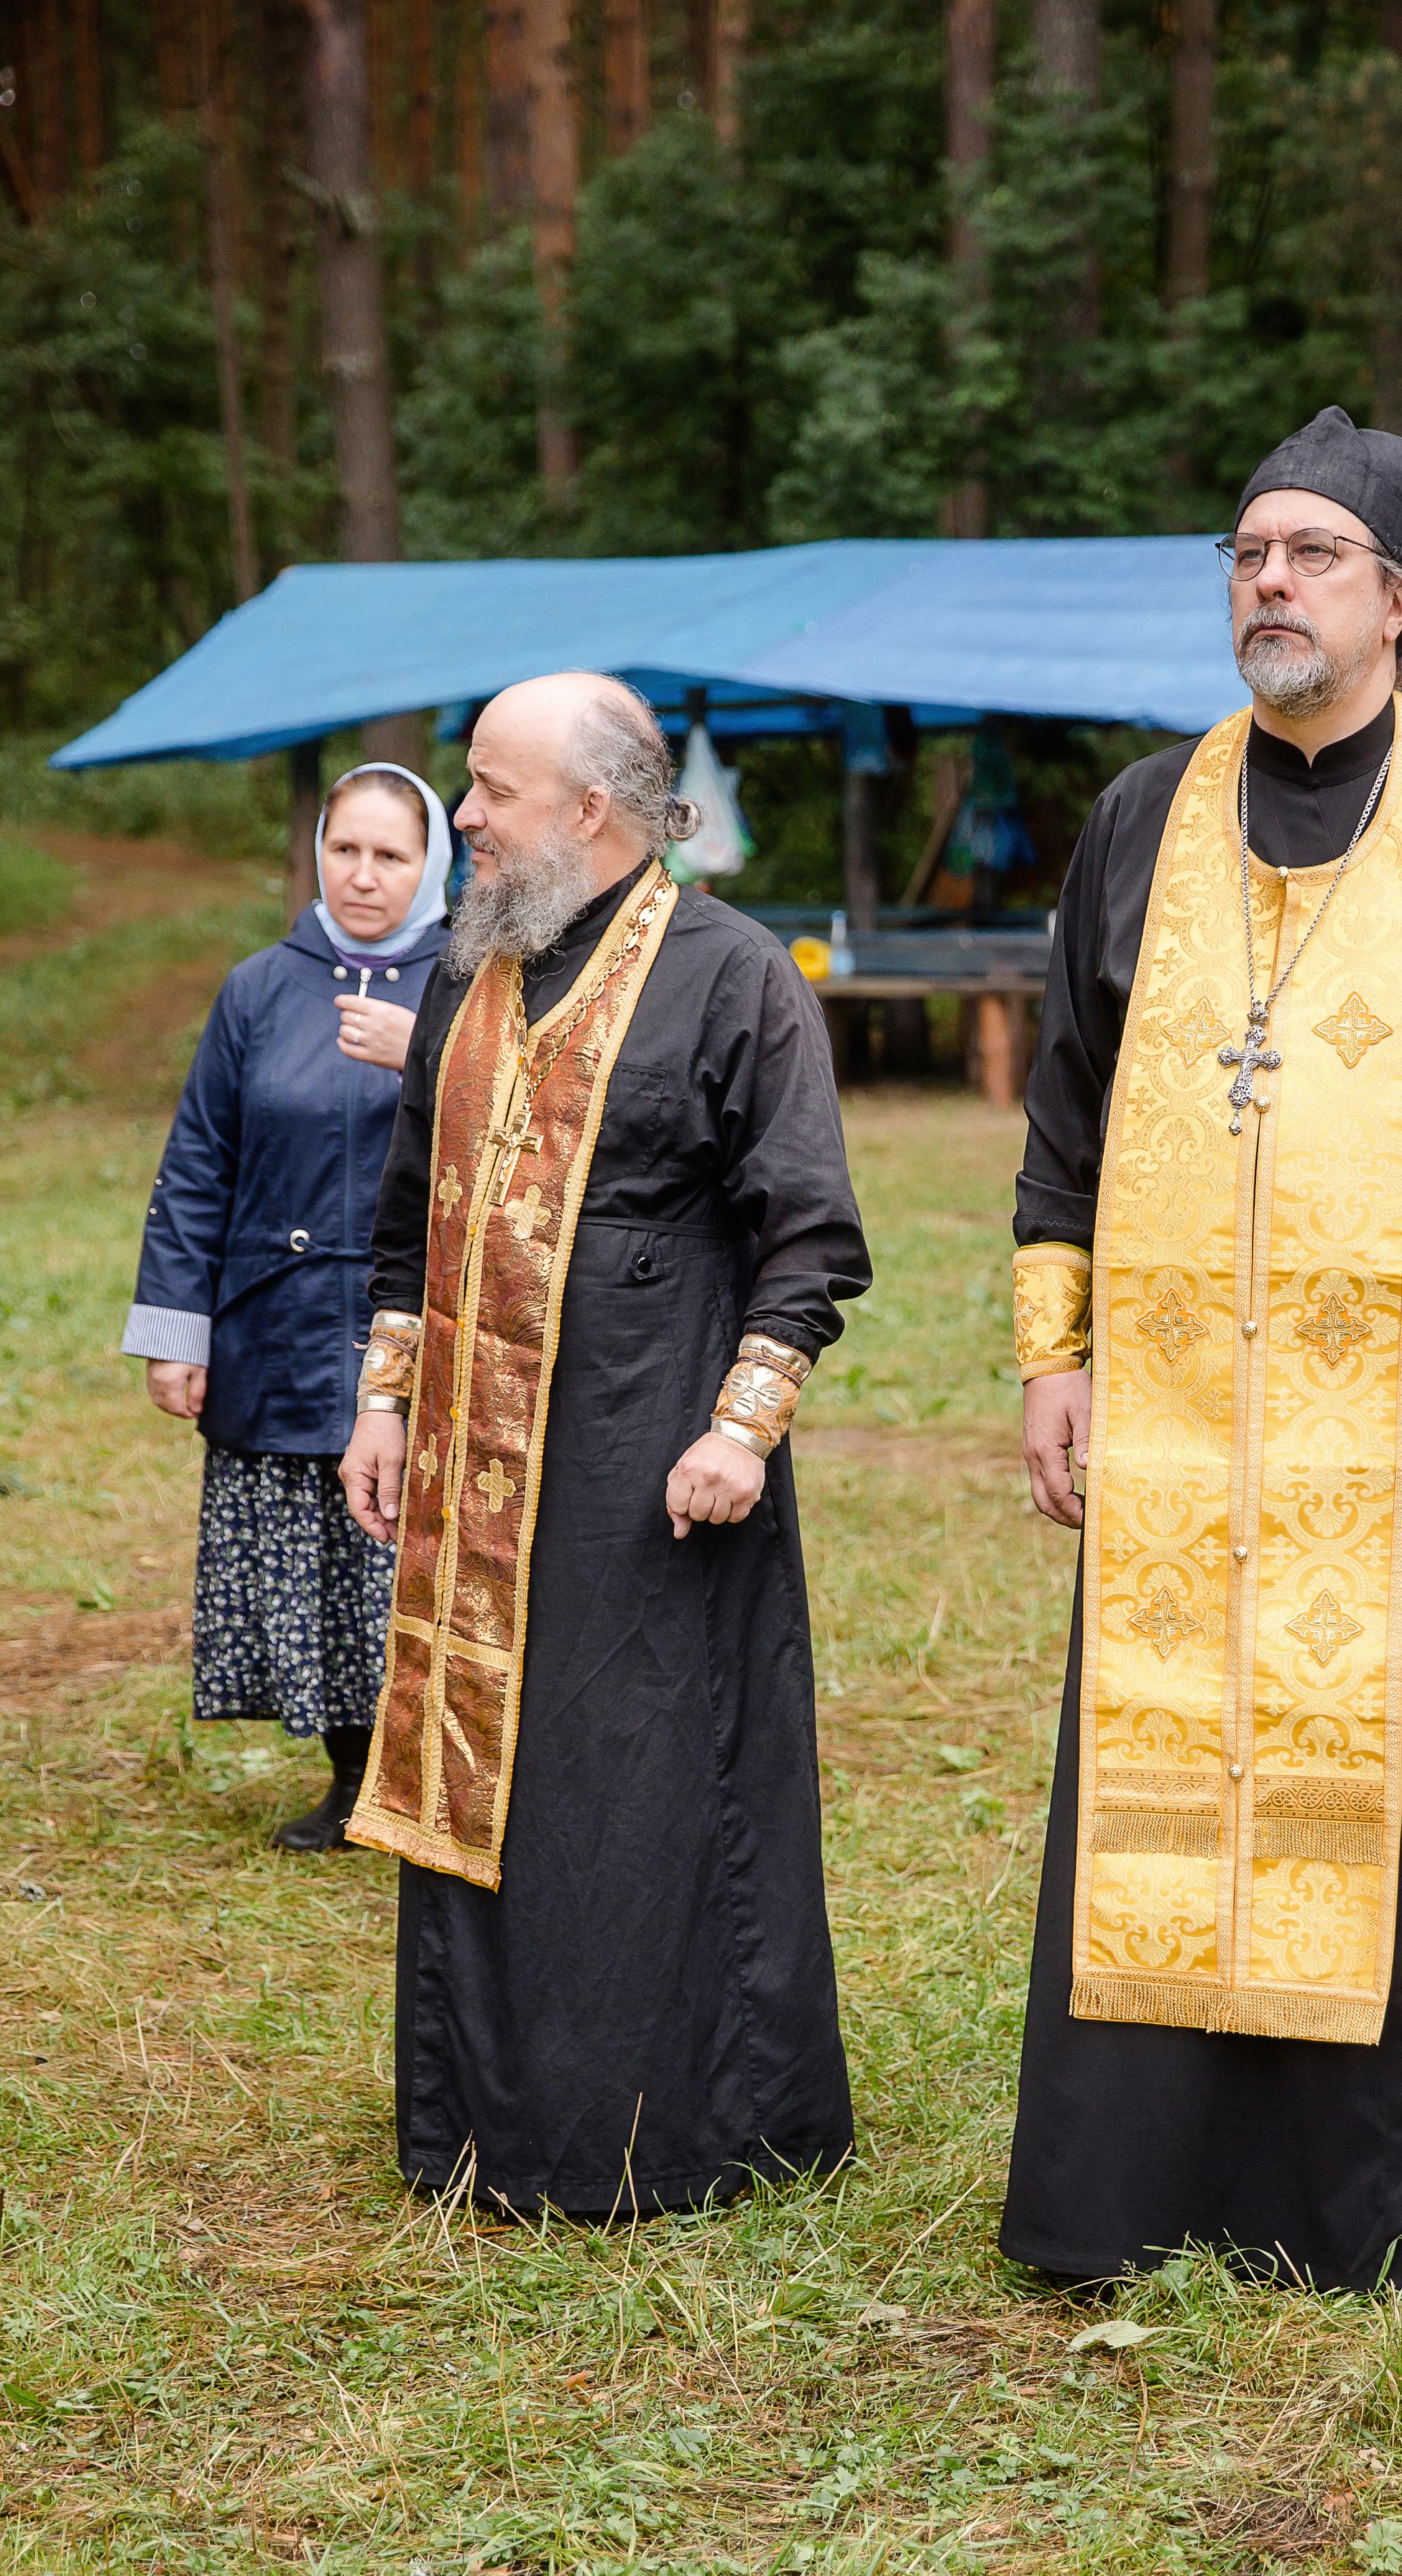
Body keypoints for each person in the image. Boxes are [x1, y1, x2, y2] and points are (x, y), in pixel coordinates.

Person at [1001, 407, 1402, 2294]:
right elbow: (1069, 1114)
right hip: (1180, 1395)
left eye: (1311, 555)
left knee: (1400, 1755)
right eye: (1249, 553)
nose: (1269, 580)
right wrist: (1057, 1356)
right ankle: (1140, 2184)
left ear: (1399, 599)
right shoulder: (1144, 813)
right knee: (1159, 1753)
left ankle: (1376, 2198)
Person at [338, 671, 870, 2222]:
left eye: (491, 791)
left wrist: (742, 1425)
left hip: (656, 1461)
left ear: (589, 810)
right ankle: (485, 2123)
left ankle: (668, 2131)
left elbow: (809, 1235)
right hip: (472, 1461)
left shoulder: (732, 971)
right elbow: (402, 1218)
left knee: (634, 1780)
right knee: (491, 1769)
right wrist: (382, 1400)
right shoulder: (471, 968)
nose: (467, 819)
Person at [123, 765, 452, 1852]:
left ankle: (440, 1782)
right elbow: (198, 1164)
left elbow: (533, 1137)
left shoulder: (474, 983)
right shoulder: (261, 988)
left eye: (391, 856)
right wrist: (179, 1328)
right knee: (314, 1558)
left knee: (414, 1553)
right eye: (346, 850)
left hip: (419, 1331)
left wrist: (431, 1060)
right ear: (318, 851)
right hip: (275, 1319)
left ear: (432, 864)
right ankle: (352, 1779)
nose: (364, 877)